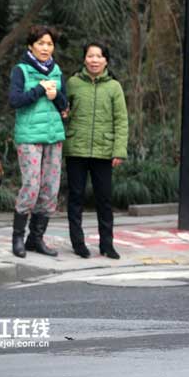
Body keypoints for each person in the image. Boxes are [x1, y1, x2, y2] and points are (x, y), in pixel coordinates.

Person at [63, 42, 128, 259]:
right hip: (76, 150)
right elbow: (64, 111)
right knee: (75, 198)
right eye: (90, 56)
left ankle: (107, 245)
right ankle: (78, 243)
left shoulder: (114, 87)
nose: (94, 60)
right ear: (84, 59)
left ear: (106, 60)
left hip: (104, 152)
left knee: (104, 200)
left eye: (99, 56)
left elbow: (121, 121)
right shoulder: (72, 83)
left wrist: (118, 150)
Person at [8, 25, 68, 258]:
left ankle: (36, 239)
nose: (45, 48)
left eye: (49, 44)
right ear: (31, 45)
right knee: (31, 186)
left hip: (54, 136)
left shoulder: (57, 70)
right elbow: (14, 100)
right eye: (41, 43)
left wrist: (57, 96)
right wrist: (40, 90)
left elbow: (64, 107)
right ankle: (18, 238)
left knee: (50, 189)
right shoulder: (21, 70)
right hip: (29, 136)